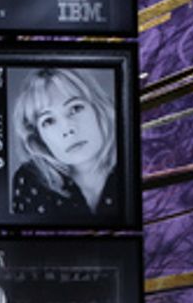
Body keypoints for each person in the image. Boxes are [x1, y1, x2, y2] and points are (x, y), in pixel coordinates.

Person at [10, 67, 119, 220]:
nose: (68, 129)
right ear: (39, 137)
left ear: (98, 109)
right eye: (48, 120)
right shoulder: (30, 180)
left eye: (75, 108)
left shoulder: (140, 160)